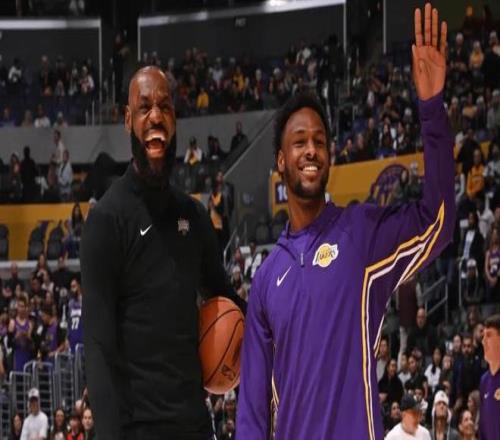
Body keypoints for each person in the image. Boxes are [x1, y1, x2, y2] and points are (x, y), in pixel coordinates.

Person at [237, 4, 455, 438]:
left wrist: (431, 108)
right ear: (280, 160)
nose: (311, 150)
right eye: (299, 142)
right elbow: (253, 411)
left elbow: (437, 222)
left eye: (320, 141)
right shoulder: (264, 279)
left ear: (331, 155)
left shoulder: (361, 233)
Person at [81, 65, 245, 440]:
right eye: (144, 107)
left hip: (195, 424)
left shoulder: (194, 216)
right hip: (136, 429)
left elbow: (226, 300)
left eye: (165, 107)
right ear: (128, 119)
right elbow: (98, 348)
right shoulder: (106, 220)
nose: (155, 115)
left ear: (174, 120)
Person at [479, 314, 500, 439]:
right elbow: (483, 428)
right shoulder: (484, 381)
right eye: (483, 336)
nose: (483, 341)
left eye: (489, 335)